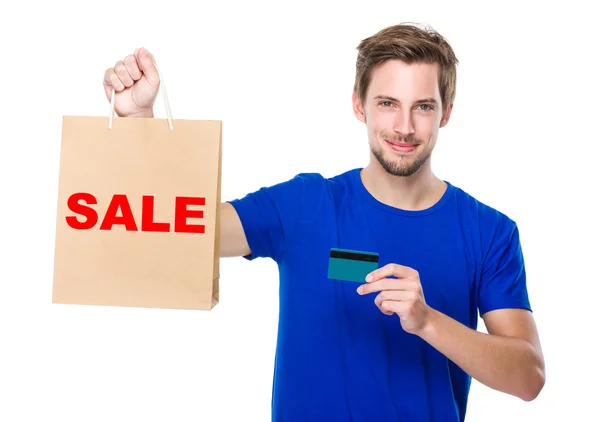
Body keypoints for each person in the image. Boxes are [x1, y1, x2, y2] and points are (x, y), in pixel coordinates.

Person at [103, 22, 545, 422]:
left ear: (446, 113)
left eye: (423, 107)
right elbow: (179, 231)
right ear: (359, 105)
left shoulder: (490, 232)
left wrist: (429, 321)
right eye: (388, 103)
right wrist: (137, 123)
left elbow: (529, 378)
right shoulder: (305, 205)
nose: (404, 126)